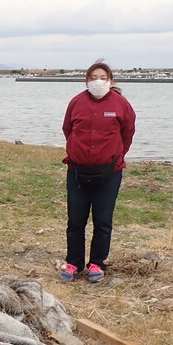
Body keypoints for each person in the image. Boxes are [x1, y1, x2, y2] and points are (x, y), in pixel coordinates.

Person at [61, 61, 136, 282]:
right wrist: (78, 151)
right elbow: (67, 129)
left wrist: (117, 156)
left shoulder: (121, 104)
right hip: (77, 171)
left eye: (102, 77)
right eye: (93, 77)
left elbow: (128, 132)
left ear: (111, 81)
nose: (98, 81)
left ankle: (97, 263)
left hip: (109, 172)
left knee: (103, 220)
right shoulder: (76, 102)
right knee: (75, 220)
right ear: (86, 80)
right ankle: (74, 262)